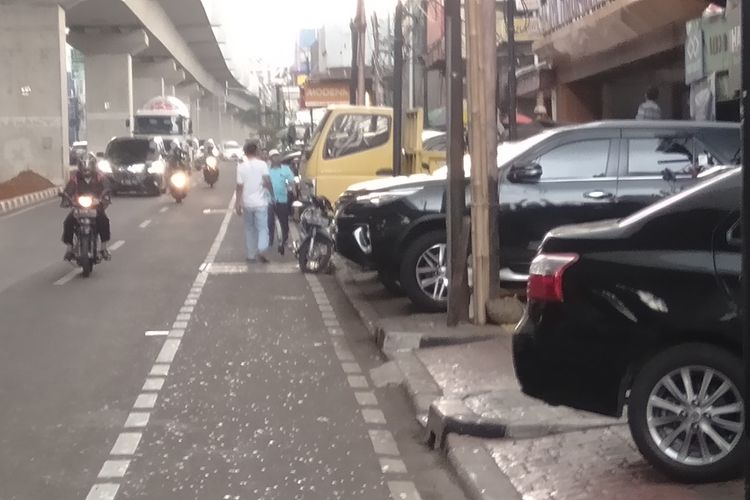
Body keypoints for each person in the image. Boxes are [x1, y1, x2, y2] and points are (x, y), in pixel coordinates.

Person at [62, 154, 112, 261]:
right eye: (84, 167)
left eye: (89, 167)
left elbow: (107, 186)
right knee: (68, 221)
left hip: (96, 206)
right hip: (79, 206)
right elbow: (69, 188)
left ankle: (103, 248)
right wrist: (66, 197)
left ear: (93, 166)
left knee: (104, 220)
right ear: (80, 167)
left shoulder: (100, 177)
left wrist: (105, 196)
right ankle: (69, 249)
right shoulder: (76, 178)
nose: (86, 170)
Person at [235, 142, 273, 263]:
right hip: (261, 202)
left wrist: (238, 203)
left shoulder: (241, 166)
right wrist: (271, 194)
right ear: (256, 151)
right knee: (262, 228)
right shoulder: (262, 165)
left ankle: (251, 255)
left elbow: (239, 186)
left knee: (250, 228)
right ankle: (262, 249)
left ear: (245, 152)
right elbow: (267, 181)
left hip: (247, 203)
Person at [266, 149, 295, 255]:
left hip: (283, 199)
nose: (276, 158)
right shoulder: (267, 170)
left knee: (283, 221)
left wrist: (291, 189)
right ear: (270, 159)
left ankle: (284, 239)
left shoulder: (286, 169)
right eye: (274, 156)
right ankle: (270, 240)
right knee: (270, 221)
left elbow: (290, 181)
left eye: (277, 156)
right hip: (269, 199)